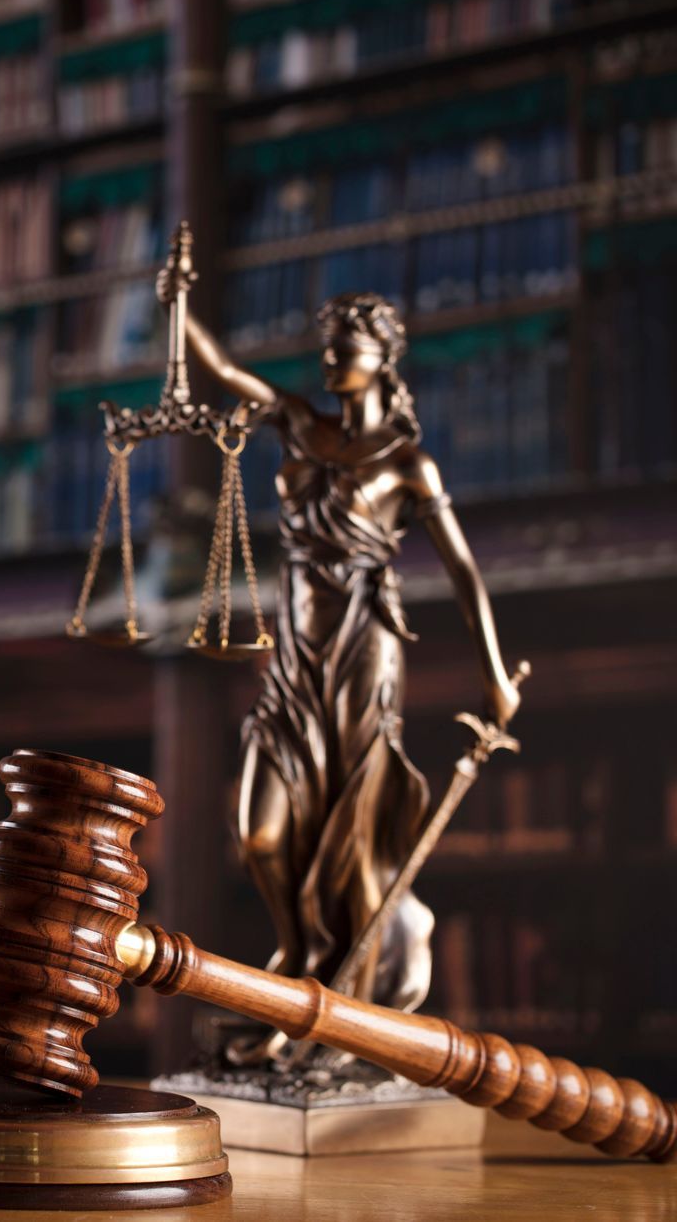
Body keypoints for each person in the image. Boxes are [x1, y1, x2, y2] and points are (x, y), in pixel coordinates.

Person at [157, 268, 524, 1068]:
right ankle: (300, 955)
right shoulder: (295, 423)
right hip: (295, 652)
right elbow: (222, 375)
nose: (329, 364)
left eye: (345, 351)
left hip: (364, 649)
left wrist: (494, 674)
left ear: (382, 359)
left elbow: (462, 570)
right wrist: (179, 304)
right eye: (325, 351)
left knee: (354, 842)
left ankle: (334, 1002)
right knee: (259, 833)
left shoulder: (408, 464)